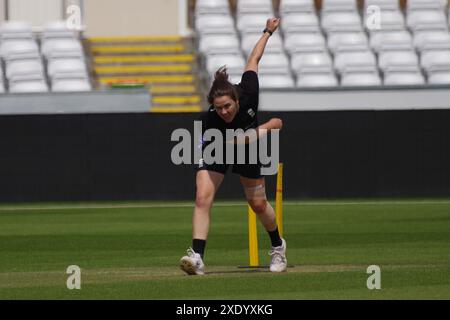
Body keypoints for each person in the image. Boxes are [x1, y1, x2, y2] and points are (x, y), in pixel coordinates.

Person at [180, 18, 286, 275]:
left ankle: (277, 247)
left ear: (236, 99)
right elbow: (238, 140)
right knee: (202, 197)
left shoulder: (248, 90)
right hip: (223, 146)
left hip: (249, 150)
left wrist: (267, 32)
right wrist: (270, 125)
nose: (224, 111)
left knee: (258, 204)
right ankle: (197, 257)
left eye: (227, 106)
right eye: (218, 108)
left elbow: (253, 58)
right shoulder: (209, 121)